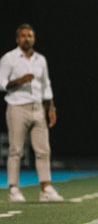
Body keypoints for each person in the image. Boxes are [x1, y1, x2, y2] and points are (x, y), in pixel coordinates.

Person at [0, 24, 64, 202]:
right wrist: (19, 81)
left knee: (43, 150)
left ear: (34, 39)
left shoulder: (40, 60)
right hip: (17, 107)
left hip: (38, 108)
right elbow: (1, 82)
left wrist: (51, 108)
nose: (27, 39)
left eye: (30, 36)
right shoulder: (9, 58)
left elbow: (46, 85)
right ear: (17, 39)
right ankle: (13, 189)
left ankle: (46, 188)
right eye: (23, 36)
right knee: (16, 150)